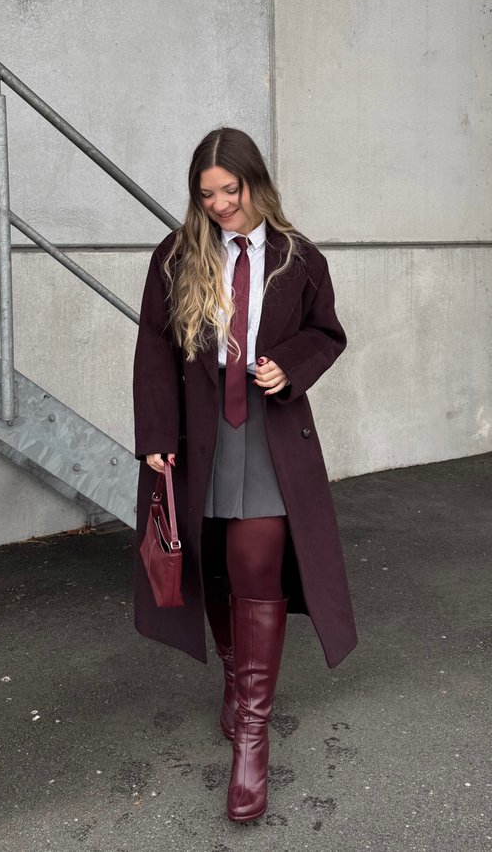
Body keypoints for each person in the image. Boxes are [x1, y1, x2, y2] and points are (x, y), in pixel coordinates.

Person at [132, 126, 356, 823]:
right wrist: (155, 437)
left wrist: (289, 362)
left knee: (256, 562)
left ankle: (252, 738)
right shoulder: (175, 257)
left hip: (270, 430)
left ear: (256, 183)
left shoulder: (299, 257)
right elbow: (154, 349)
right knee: (214, 567)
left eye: (232, 190)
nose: (223, 204)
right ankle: (236, 682)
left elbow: (327, 333)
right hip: (199, 434)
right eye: (209, 194)